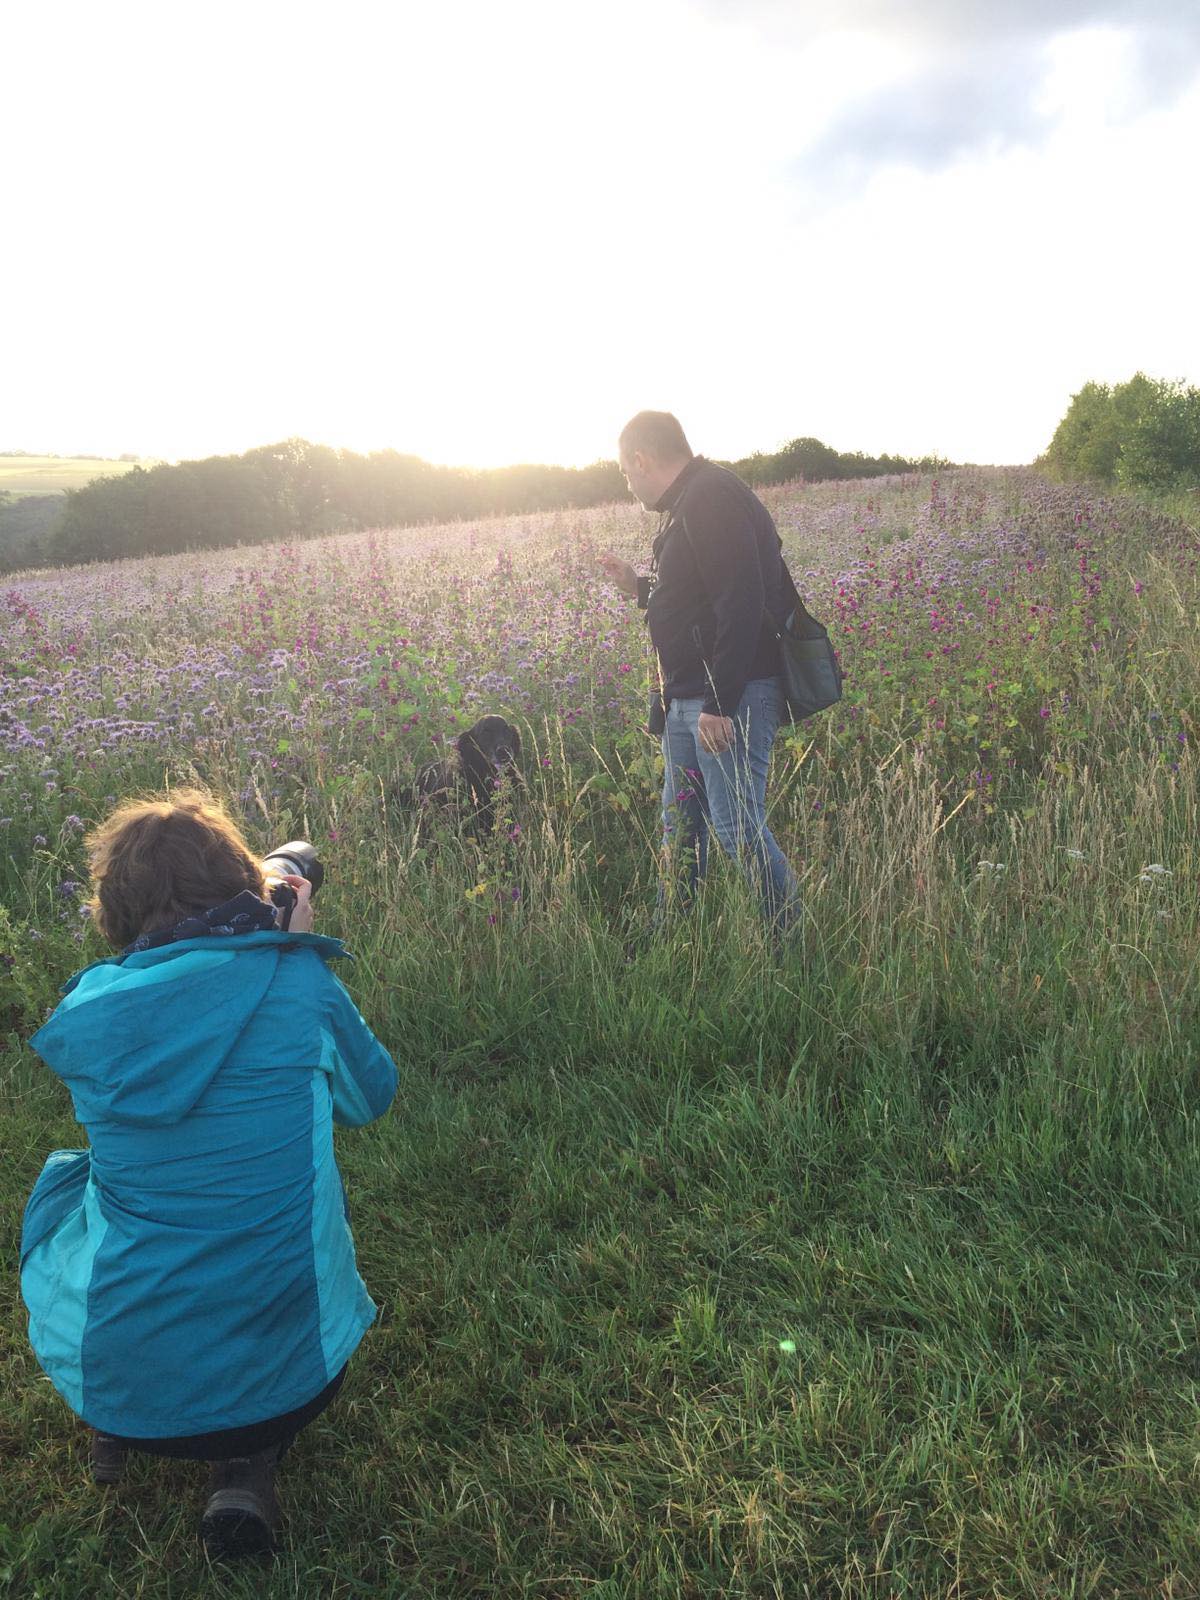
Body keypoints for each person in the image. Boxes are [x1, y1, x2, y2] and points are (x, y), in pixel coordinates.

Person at [19, 791, 397, 1562]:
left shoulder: (89, 1008)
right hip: (291, 1387)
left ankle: (121, 1415)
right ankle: (246, 1468)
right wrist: (291, 950)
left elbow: (183, 1002)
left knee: (70, 1183)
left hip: (114, 1378)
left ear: (117, 909)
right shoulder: (299, 986)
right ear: (244, 888)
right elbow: (371, 1097)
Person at [598, 410, 801, 932]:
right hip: (688, 697)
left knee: (735, 827)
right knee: (680, 826)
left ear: (641, 459)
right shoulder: (690, 500)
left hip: (725, 697)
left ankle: (790, 947)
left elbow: (742, 602)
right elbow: (698, 600)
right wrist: (640, 589)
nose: (627, 483)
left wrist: (719, 702)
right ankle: (674, 933)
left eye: (624, 471)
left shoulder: (711, 496)